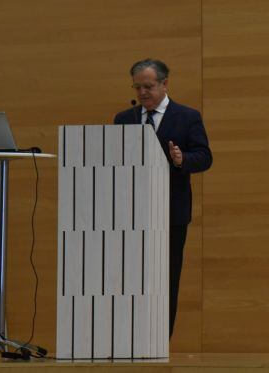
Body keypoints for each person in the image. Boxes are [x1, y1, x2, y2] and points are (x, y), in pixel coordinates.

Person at [113, 59, 212, 338]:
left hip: (171, 213)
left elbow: (205, 157)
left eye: (149, 86)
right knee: (131, 279)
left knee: (166, 280)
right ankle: (128, 337)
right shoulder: (124, 119)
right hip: (130, 216)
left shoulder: (187, 116)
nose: (143, 92)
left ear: (164, 84)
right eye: (138, 87)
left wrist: (182, 159)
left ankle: (159, 340)